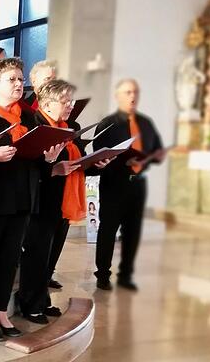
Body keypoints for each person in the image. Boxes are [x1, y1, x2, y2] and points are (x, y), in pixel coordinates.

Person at [0, 58, 64, 341]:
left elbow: (38, 164)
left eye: (21, 79)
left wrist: (49, 159)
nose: (19, 84)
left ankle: (1, 309)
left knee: (9, 258)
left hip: (22, 197)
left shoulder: (31, 118)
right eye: (12, 79)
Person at [16, 80, 111, 324]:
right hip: (41, 200)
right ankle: (29, 303)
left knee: (51, 254)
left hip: (63, 200)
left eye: (70, 100)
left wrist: (97, 164)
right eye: (65, 101)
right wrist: (51, 168)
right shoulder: (33, 125)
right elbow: (26, 165)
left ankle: (42, 299)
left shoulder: (69, 127)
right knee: (37, 255)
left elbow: (77, 164)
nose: (70, 105)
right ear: (46, 103)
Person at [93, 79, 164, 291]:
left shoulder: (146, 123)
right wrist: (123, 163)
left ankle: (125, 275)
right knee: (108, 230)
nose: (132, 96)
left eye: (135, 92)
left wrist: (146, 160)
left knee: (133, 231)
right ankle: (103, 274)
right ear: (118, 96)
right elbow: (99, 156)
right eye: (127, 92)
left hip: (138, 185)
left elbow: (157, 151)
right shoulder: (108, 124)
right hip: (114, 184)